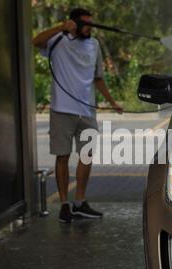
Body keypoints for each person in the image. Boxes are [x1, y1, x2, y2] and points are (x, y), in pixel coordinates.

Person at [33, 8, 123, 224]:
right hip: (62, 109)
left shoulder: (94, 45)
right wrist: (60, 28)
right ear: (74, 24)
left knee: (86, 156)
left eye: (92, 23)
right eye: (86, 23)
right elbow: (36, 41)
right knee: (62, 156)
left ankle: (80, 201)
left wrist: (113, 103)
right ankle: (65, 205)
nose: (90, 27)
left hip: (87, 110)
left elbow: (97, 78)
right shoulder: (58, 41)